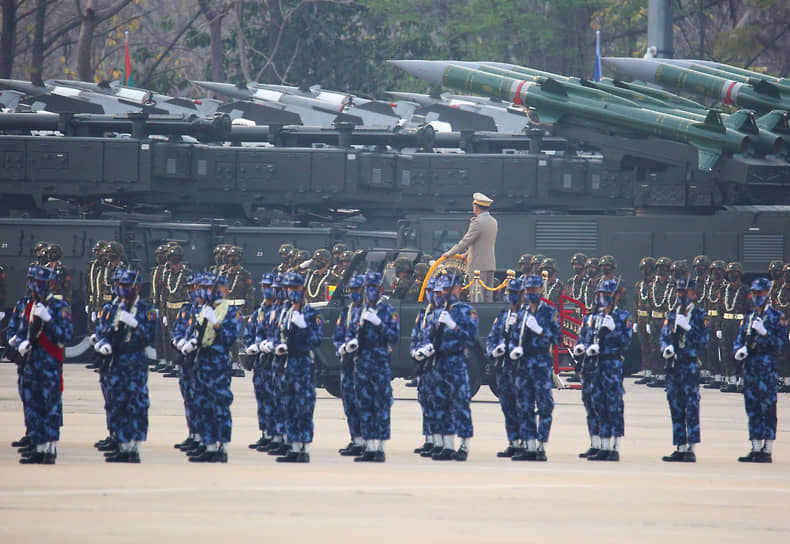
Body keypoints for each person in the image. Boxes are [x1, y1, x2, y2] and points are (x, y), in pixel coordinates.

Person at [94, 269, 156, 463]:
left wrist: (135, 324)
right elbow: (102, 330)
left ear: (137, 288)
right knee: (118, 403)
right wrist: (101, 342)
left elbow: (148, 337)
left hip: (135, 362)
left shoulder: (146, 310)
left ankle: (134, 448)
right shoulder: (112, 309)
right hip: (116, 362)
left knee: (136, 404)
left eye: (127, 286)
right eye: (121, 286)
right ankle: (122, 445)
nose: (123, 290)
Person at [12, 265, 72, 464]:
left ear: (52, 284)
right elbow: (18, 330)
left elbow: (64, 337)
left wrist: (49, 320)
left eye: (42, 283)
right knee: (32, 405)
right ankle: (37, 446)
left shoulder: (59, 308)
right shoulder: (26, 306)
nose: (37, 287)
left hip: (49, 364)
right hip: (30, 363)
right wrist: (18, 342)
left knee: (50, 406)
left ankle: (49, 448)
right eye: (34, 282)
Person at [182, 273, 241, 463]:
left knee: (219, 405)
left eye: (214, 288)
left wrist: (215, 324)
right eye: (207, 289)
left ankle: (222, 447)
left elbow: (229, 340)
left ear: (224, 290)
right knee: (202, 405)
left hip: (218, 364)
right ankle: (208, 445)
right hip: (202, 363)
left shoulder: (230, 312)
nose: (210, 292)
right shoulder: (202, 310)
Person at [508, 274, 561, 461]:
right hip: (524, 363)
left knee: (545, 405)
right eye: (528, 290)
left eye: (534, 289)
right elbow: (514, 337)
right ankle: (529, 446)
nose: (531, 293)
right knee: (525, 405)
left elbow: (557, 338)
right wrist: (514, 349)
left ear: (541, 290)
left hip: (541, 361)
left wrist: (539, 330)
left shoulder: (548, 311)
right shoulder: (522, 314)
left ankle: (541, 446)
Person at [427, 272, 479, 460]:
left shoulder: (465, 311)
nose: (445, 293)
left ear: (458, 288)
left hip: (456, 361)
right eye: (443, 290)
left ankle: (464, 445)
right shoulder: (436, 312)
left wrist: (454, 326)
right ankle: (447, 445)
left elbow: (472, 337)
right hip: (438, 362)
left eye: (450, 289)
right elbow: (429, 336)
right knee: (441, 404)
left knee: (460, 403)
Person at [734, 278, 787, 462]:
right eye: (754, 293)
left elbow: (782, 344)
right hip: (751, 368)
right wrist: (738, 350)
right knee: (753, 407)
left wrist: (766, 333)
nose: (756, 296)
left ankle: (767, 449)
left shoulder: (776, 317)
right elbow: (739, 339)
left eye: (760, 293)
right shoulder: (748, 317)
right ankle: (756, 447)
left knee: (768, 408)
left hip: (767, 369)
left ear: (767, 293)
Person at [578, 279, 632, 461]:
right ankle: (598, 443)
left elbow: (626, 342)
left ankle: (613, 447)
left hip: (610, 365)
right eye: (602, 295)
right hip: (592, 366)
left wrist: (614, 329)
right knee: (594, 404)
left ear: (616, 296)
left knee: (613, 406)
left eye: (608, 295)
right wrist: (582, 347)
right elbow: (584, 336)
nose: (604, 298)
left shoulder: (622, 317)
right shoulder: (592, 317)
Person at [351, 272, 399, 462]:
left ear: (380, 289)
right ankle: (368, 446)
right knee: (364, 404)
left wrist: (379, 323)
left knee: (380, 404)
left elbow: (393, 337)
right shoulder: (358, 310)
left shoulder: (387, 311)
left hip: (379, 361)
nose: (369, 291)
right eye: (367, 287)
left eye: (373, 287)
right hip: (362, 362)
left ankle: (380, 448)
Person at [275, 272, 323, 463]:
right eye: (288, 289)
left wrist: (303, 328)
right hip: (287, 364)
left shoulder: (311, 313)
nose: (291, 292)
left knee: (304, 406)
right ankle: (293, 446)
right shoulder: (285, 312)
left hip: (303, 364)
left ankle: (304, 448)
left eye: (294, 288)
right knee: (289, 405)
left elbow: (315, 341)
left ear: (302, 289)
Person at [660, 278, 708, 462]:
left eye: (684, 292)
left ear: (693, 294)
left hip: (689, 365)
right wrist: (665, 348)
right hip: (674, 365)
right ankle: (679, 446)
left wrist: (689, 328)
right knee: (675, 405)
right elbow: (663, 337)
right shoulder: (672, 314)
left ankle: (691, 447)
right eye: (679, 292)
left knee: (691, 405)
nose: (681, 295)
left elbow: (704, 341)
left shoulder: (699, 316)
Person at [486, 278, 524, 458]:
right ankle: (513, 442)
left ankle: (526, 442)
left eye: (515, 293)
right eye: (510, 293)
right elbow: (491, 338)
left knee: (522, 406)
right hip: (503, 367)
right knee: (507, 406)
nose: (512, 296)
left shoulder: (527, 316)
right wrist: (494, 349)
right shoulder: (503, 316)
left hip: (521, 368)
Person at [442, 192, 497, 303]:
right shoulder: (493, 221)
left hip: (477, 264)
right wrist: (466, 254)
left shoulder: (478, 222)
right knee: (488, 295)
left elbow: (465, 241)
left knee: (477, 295)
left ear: (476, 207)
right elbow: (481, 241)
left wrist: (449, 253)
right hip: (490, 263)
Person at [244, 273, 279, 451]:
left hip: (272, 362)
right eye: (264, 286)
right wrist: (250, 346)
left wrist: (268, 345)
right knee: (262, 398)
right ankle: (265, 433)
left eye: (269, 287)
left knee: (274, 399)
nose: (266, 290)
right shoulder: (258, 312)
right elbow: (249, 332)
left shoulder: (278, 312)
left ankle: (276, 435)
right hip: (259, 362)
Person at [334, 274, 366, 457]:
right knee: (349, 403)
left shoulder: (368, 311)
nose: (353, 293)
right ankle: (356, 440)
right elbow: (337, 335)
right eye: (351, 290)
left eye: (357, 290)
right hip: (347, 363)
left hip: (362, 363)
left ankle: (366, 440)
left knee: (362, 403)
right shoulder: (346, 312)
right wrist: (341, 348)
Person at [171, 273, 201, 453]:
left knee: (199, 400)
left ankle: (202, 437)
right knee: (188, 399)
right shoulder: (186, 309)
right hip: (185, 361)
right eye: (189, 288)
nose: (192, 291)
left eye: (195, 288)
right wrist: (178, 342)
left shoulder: (206, 310)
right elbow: (177, 330)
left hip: (199, 362)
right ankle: (192, 434)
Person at [410, 277, 440, 455]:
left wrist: (432, 349)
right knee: (425, 400)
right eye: (428, 291)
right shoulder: (423, 314)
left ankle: (439, 440)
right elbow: (415, 336)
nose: (431, 295)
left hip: (437, 365)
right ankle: (429, 438)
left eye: (434, 292)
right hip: (424, 365)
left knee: (437, 402)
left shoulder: (443, 314)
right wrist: (415, 352)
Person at [224, 246, 254, 378]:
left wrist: (248, 310)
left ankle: (237, 364)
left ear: (240, 259)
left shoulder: (245, 274)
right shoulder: (224, 273)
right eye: (230, 257)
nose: (232, 259)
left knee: (236, 338)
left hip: (239, 308)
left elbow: (249, 293)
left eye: (235, 257)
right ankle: (229, 362)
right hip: (226, 308)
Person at [720, 262, 749, 393]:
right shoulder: (724, 290)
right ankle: (731, 380)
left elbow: (750, 309)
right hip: (726, 324)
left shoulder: (745, 290)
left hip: (740, 325)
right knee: (726, 353)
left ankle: (741, 381)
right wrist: (719, 327)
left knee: (740, 354)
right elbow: (720, 309)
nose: (732, 275)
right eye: (730, 273)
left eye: (735, 273)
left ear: (740, 274)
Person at [633, 257, 655, 380]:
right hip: (641, 319)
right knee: (644, 347)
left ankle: (655, 372)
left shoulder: (655, 284)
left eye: (647, 268)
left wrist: (650, 321)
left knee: (654, 347)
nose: (645, 271)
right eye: (643, 268)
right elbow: (636, 303)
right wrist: (635, 321)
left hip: (651, 319)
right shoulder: (639, 285)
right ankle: (646, 373)